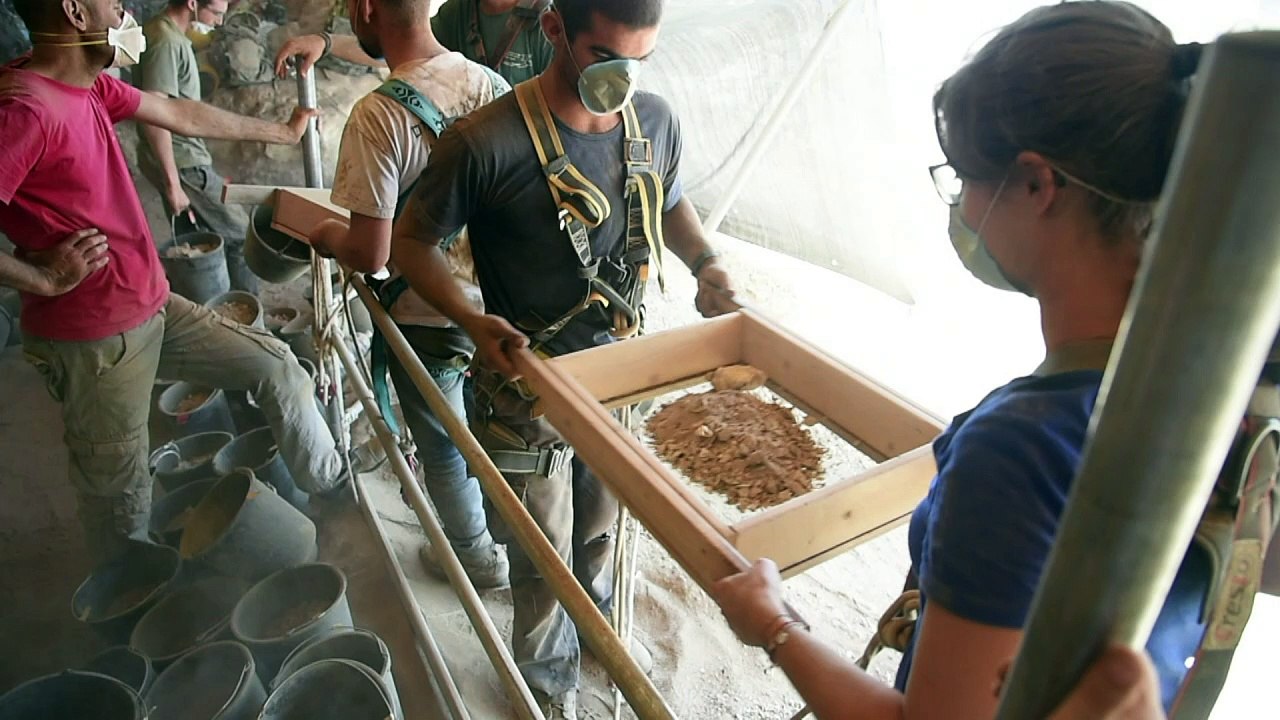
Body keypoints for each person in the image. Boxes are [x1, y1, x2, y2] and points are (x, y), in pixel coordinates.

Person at [710, 2, 1229, 718]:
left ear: (1036, 184)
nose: (960, 204)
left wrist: (775, 626)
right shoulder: (1217, 384)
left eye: (963, 178)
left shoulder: (1017, 450)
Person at [390, 0, 738, 715]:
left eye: (642, 62)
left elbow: (667, 199)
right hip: (527, 389)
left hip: (617, 378)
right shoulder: (485, 143)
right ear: (555, 30)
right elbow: (409, 244)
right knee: (542, 552)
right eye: (608, 59)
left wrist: (705, 262)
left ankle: (600, 638)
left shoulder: (655, 122)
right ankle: (546, 681)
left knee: (601, 531)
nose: (626, 80)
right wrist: (468, 316)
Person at [2, 0, 350, 565]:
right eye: (111, 2)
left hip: (153, 304)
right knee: (119, 494)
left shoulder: (87, 85)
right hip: (97, 339)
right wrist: (42, 278)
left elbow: (178, 112)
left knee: (278, 367)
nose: (122, 10)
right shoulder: (26, 109)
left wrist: (282, 132)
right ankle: (129, 619)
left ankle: (334, 492)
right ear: (74, 12)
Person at [288, 0, 512, 588]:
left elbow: (371, 254)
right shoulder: (488, 80)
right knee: (489, 423)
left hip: (428, 310)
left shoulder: (377, 115)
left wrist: (327, 232)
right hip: (496, 300)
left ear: (365, 10)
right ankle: (504, 533)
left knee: (441, 439)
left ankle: (474, 554)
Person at [135, 0, 259, 293]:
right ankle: (250, 317)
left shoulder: (169, 32)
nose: (218, 22)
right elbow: (155, 113)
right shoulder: (164, 40)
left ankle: (212, 307)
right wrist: (173, 182)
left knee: (197, 238)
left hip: (182, 160)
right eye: (216, 13)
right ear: (192, 3)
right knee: (242, 235)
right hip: (183, 162)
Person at [276, 0, 552, 88]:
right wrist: (326, 42)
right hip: (472, 159)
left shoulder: (547, 20)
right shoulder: (461, 12)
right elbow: (403, 45)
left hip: (520, 174)